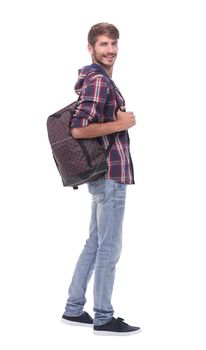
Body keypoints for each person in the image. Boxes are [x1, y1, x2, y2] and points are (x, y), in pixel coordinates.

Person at [61, 22, 141, 335]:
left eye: (113, 44)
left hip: (103, 173)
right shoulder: (98, 82)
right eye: (103, 44)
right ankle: (104, 317)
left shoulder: (97, 79)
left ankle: (73, 308)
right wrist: (123, 123)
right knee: (110, 247)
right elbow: (79, 128)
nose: (109, 50)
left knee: (95, 243)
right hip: (110, 173)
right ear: (90, 47)